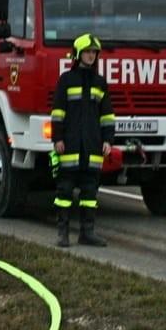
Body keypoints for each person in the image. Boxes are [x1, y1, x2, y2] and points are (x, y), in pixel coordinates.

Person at [50, 33, 115, 247]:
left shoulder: (100, 82)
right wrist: (57, 138)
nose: (91, 56)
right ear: (78, 54)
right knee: (65, 191)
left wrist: (108, 139)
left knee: (90, 191)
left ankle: (87, 233)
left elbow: (106, 115)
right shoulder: (66, 80)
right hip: (69, 144)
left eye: (94, 52)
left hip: (93, 145)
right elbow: (58, 113)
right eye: (87, 52)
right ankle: (63, 233)